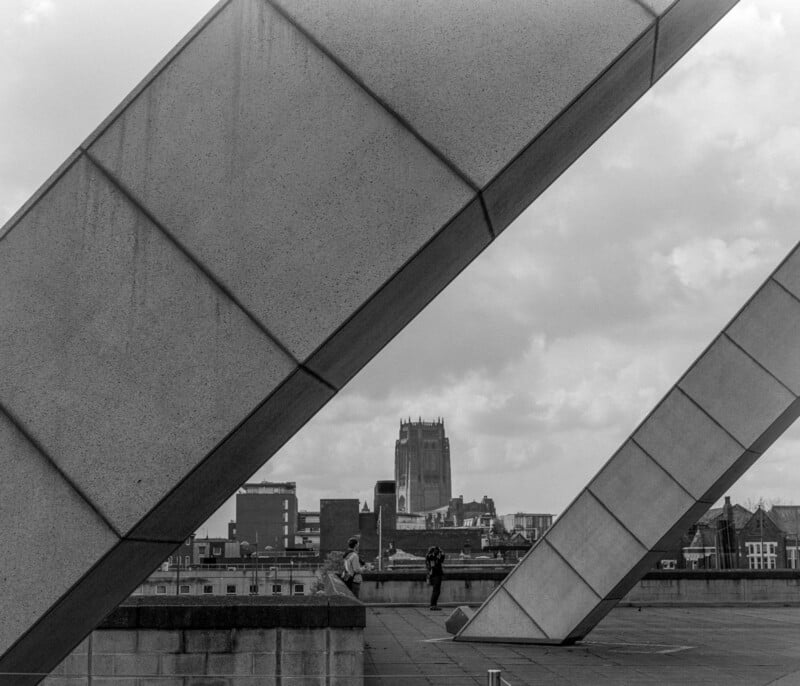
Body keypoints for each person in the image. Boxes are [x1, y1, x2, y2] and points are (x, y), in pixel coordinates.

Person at [425, 545, 445, 610]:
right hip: (436, 575)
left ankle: (433, 605)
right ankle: (433, 605)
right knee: (436, 591)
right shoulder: (434, 557)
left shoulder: (430, 557)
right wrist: (440, 550)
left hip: (432, 575)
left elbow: (441, 559)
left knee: (436, 591)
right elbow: (442, 557)